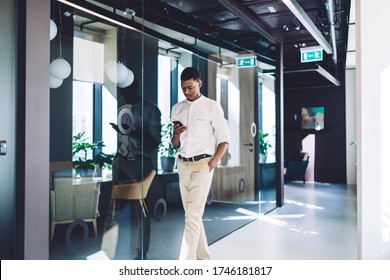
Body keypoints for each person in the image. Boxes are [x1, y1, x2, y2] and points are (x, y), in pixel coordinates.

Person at [171, 67, 229, 260]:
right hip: (182, 164)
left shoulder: (212, 106)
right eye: (183, 88)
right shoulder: (177, 108)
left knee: (192, 216)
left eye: (190, 87)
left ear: (199, 83)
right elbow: (175, 144)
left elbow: (224, 139)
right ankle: (204, 258)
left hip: (202, 165)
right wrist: (176, 135)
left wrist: (212, 163)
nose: (186, 92)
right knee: (192, 215)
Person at [104, 77, 161, 260]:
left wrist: (132, 131)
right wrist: (116, 158)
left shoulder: (151, 110)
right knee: (112, 209)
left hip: (139, 162)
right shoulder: (122, 110)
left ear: (135, 88)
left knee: (141, 210)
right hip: (120, 161)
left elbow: (154, 144)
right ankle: (107, 252)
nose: (124, 94)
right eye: (121, 91)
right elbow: (121, 140)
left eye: (127, 90)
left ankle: (140, 254)